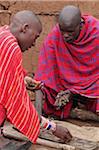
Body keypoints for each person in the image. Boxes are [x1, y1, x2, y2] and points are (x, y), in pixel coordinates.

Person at [0, 10, 72, 144]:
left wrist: (23, 80)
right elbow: (15, 101)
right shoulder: (10, 46)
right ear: (25, 28)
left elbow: (3, 75)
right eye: (36, 37)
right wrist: (52, 127)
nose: (34, 44)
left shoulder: (3, 33)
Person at [34, 5, 99, 121]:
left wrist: (77, 89)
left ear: (80, 25)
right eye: (62, 30)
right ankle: (69, 110)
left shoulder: (96, 32)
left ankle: (90, 115)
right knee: (48, 86)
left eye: (70, 32)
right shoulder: (55, 35)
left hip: (92, 83)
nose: (65, 35)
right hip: (66, 83)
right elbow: (45, 69)